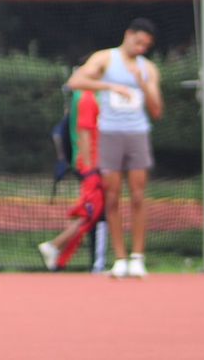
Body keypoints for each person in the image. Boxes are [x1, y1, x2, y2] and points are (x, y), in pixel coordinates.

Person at [67, 18, 163, 279]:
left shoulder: (148, 68)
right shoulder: (105, 59)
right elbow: (75, 81)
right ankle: (119, 258)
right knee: (111, 196)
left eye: (147, 45)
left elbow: (157, 109)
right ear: (128, 35)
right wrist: (110, 85)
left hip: (137, 133)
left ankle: (137, 257)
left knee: (138, 195)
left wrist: (140, 83)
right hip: (109, 133)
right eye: (139, 41)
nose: (141, 48)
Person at [37, 82, 105, 272]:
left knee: (96, 213)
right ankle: (55, 246)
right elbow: (79, 134)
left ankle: (62, 259)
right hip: (91, 167)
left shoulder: (90, 98)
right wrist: (89, 166)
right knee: (89, 213)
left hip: (93, 165)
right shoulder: (86, 98)